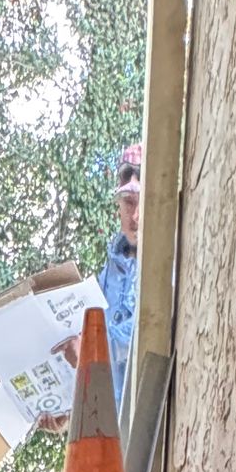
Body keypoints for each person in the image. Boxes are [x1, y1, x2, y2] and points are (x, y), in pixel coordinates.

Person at [100, 142, 140, 410]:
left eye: (142, 203)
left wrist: (88, 356)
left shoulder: (172, 265)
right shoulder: (106, 277)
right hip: (109, 437)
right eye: (128, 203)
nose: (135, 216)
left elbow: (145, 340)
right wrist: (65, 411)